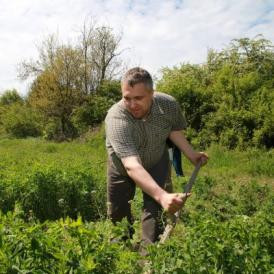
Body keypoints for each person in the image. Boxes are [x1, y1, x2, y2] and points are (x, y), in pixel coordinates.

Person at [105, 67, 208, 248]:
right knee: (118, 214)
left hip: (156, 160)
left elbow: (173, 130)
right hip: (122, 167)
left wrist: (191, 154)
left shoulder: (168, 105)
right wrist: (162, 195)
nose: (132, 104)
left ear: (152, 93)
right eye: (126, 98)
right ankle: (121, 253)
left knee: (154, 212)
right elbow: (131, 165)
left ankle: (150, 254)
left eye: (138, 98)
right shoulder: (116, 117)